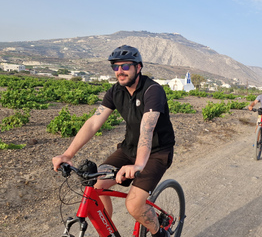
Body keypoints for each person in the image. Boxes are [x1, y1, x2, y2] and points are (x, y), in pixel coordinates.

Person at [52, 45, 175, 237]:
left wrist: (138, 165)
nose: (120, 71)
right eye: (115, 67)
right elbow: (94, 123)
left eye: (125, 66)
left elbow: (147, 128)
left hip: (156, 153)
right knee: (96, 187)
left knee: (134, 204)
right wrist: (68, 154)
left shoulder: (153, 90)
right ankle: (107, 233)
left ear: (138, 67)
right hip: (128, 149)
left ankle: (160, 232)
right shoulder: (116, 91)